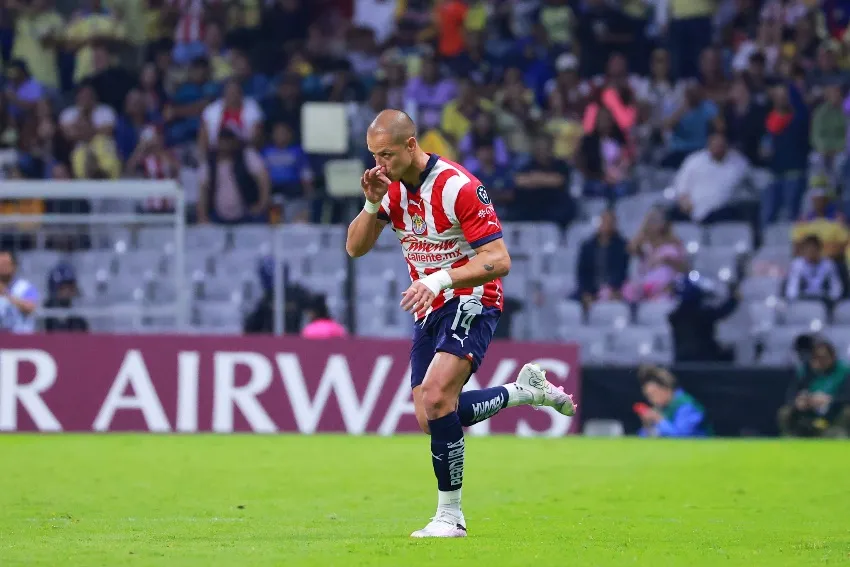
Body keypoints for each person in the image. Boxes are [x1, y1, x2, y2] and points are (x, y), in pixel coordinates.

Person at [346, 110, 576, 538]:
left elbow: (499, 260)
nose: (380, 164)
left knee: (436, 399)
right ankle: (522, 391)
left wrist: (437, 278)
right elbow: (355, 249)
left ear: (412, 145)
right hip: (429, 306)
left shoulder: (458, 186)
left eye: (387, 154)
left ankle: (450, 516)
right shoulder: (389, 188)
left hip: (471, 297)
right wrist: (372, 202)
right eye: (374, 155)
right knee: (429, 415)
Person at [778, 336, 850, 437]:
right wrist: (799, 401)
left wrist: (830, 400)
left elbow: (847, 396)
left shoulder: (844, 371)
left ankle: (837, 434)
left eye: (823, 358)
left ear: (832, 357)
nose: (819, 361)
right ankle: (791, 436)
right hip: (809, 412)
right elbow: (791, 394)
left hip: (834, 412)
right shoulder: (805, 372)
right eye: (815, 357)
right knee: (785, 412)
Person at [635, 365, 711, 438]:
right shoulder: (663, 407)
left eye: (654, 393)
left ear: (667, 389)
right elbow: (643, 436)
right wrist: (647, 425)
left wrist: (659, 419)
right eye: (648, 396)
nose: (651, 399)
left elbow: (681, 437)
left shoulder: (686, 405)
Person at [0, 249, 39, 334]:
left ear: (14, 266)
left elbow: (30, 308)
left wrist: (6, 294)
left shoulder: (25, 287)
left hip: (21, 339)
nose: (2, 267)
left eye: (5, 264)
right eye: (0, 264)